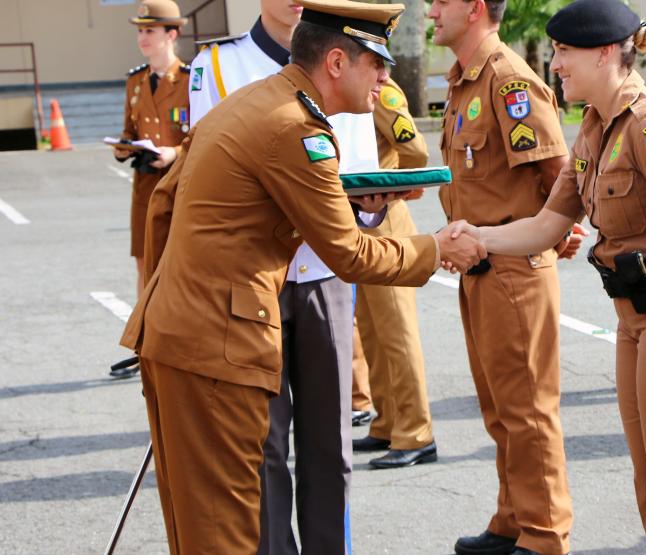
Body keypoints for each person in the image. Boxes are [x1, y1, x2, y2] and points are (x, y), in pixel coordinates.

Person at [118, 0, 486, 552]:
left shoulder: (255, 101)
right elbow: (351, 255)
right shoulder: (300, 129)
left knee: (198, 526)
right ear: (336, 62)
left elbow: (165, 205)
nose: (386, 78)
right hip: (218, 345)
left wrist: (162, 300)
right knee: (226, 535)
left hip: (184, 334)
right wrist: (438, 247)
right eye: (376, 64)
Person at [448, 0, 646, 552]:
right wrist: (476, 237)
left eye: (563, 52)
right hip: (636, 320)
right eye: (555, 51)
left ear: (605, 53)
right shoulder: (595, 131)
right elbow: (545, 225)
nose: (554, 63)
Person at [188, 1, 394, 553]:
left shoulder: (357, 59)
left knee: (332, 445)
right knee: (262, 446)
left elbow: (357, 177)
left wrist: (370, 210)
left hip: (326, 274)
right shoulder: (218, 66)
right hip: (256, 282)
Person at [429, 1, 585, 553]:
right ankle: (513, 518)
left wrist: (556, 229)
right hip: (481, 269)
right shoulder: (464, 81)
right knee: (501, 409)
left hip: (514, 269)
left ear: (474, 8)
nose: (430, 12)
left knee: (528, 410)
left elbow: (558, 172)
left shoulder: (507, 80)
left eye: (441, 2)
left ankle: (544, 535)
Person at [351, 76, 438, 469]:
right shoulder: (351, 86)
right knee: (372, 331)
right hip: (359, 222)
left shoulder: (381, 91)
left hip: (384, 221)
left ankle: (416, 433)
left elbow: (415, 151)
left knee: (398, 333)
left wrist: (394, 186)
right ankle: (386, 421)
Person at [113, 0, 189, 301]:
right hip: (145, 186)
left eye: (150, 30)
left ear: (171, 35)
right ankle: (145, 339)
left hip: (179, 184)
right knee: (144, 265)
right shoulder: (135, 81)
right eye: (140, 31)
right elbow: (129, 131)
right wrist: (122, 146)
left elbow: (203, 135)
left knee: (181, 262)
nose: (142, 37)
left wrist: (174, 153)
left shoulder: (189, 79)